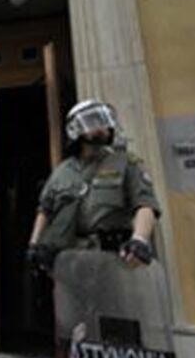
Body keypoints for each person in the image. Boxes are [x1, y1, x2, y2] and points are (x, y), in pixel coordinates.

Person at [27, 100, 161, 270]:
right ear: (75, 130)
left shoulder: (125, 162)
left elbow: (145, 204)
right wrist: (34, 244)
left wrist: (140, 239)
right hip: (71, 260)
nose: (101, 127)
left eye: (104, 121)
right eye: (92, 122)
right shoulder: (61, 172)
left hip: (112, 256)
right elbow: (45, 210)